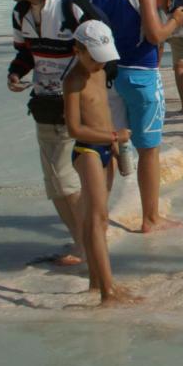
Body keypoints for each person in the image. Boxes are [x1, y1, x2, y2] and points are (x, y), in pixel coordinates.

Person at [87, 0, 183, 233]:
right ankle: (150, 218)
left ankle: (99, 218)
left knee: (107, 144)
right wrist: (176, 20)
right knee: (149, 148)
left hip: (107, 74)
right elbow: (155, 34)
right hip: (141, 73)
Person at [0, 0, 89, 264]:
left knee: (64, 176)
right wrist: (14, 73)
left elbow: (106, 52)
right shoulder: (21, 13)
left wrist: (85, 93)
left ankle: (89, 247)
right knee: (52, 181)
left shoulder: (72, 8)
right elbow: (25, 54)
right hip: (44, 105)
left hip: (73, 106)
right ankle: (81, 241)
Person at [63, 20, 139, 305]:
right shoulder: (73, 81)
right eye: (94, 58)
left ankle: (96, 280)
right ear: (77, 50)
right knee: (97, 218)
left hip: (107, 148)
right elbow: (74, 128)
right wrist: (112, 136)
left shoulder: (98, 71)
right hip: (87, 150)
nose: (99, 64)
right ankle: (109, 291)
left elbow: (103, 112)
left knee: (99, 218)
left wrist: (117, 146)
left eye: (103, 59)